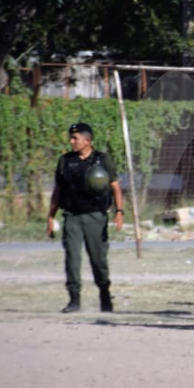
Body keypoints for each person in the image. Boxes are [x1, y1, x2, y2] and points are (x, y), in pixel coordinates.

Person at [47, 122, 125, 314]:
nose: (71, 141)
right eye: (71, 138)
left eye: (75, 138)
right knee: (72, 257)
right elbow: (58, 191)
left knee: (98, 259)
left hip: (95, 216)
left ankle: (105, 295)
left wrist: (119, 212)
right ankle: (74, 299)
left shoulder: (103, 160)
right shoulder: (65, 161)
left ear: (87, 140)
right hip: (72, 216)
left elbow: (115, 187)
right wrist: (50, 217)